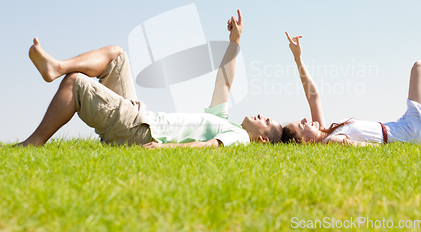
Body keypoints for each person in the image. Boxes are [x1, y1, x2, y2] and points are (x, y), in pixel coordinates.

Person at [18, 10, 282, 148]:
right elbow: (224, 83)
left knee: (75, 83)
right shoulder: (225, 122)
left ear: (262, 139)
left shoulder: (239, 138)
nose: (261, 115)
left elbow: (210, 146)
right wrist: (235, 41)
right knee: (116, 55)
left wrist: (164, 149)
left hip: (142, 131)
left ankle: (34, 143)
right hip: (143, 117)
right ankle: (56, 66)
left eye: (266, 121)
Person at [281, 31, 421, 146]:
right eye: (302, 125)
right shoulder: (331, 141)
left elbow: (313, 97)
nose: (305, 120)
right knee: (420, 66)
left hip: (406, 128)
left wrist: (298, 59)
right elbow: (368, 149)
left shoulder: (328, 131)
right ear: (305, 141)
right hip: (409, 133)